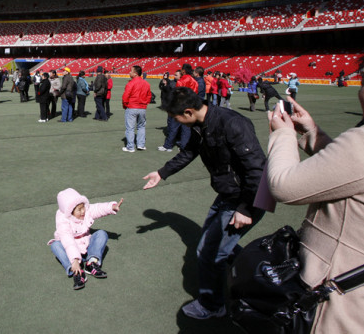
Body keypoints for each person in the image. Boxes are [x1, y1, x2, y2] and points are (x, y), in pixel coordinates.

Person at [265, 42, 364, 333]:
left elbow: (284, 186)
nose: (360, 91)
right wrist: (313, 135)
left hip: (345, 304)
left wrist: (282, 135)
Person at [142, 87, 266, 320]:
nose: (174, 122)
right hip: (229, 194)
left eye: (174, 117)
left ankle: (212, 305)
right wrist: (162, 172)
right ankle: (256, 273)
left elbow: (257, 170)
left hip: (247, 197)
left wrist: (245, 209)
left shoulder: (232, 124)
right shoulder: (199, 125)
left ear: (188, 112)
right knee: (219, 248)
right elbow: (189, 152)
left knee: (208, 253)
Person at [48, 188, 123, 291]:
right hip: (71, 252)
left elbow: (97, 208)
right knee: (55, 245)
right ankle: (77, 272)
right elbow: (67, 240)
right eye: (79, 210)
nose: (83, 211)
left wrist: (112, 207)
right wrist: (74, 260)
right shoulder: (62, 219)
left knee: (101, 234)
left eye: (83, 207)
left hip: (86, 247)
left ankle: (91, 263)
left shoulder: (85, 211)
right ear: (70, 211)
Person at [122, 65, 151, 152]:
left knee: (130, 128)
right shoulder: (146, 83)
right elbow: (149, 96)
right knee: (141, 126)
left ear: (135, 73)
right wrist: (145, 103)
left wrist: (125, 105)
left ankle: (130, 147)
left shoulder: (131, 83)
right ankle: (140, 145)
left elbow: (125, 96)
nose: (129, 72)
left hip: (132, 107)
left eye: (131, 71)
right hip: (142, 108)